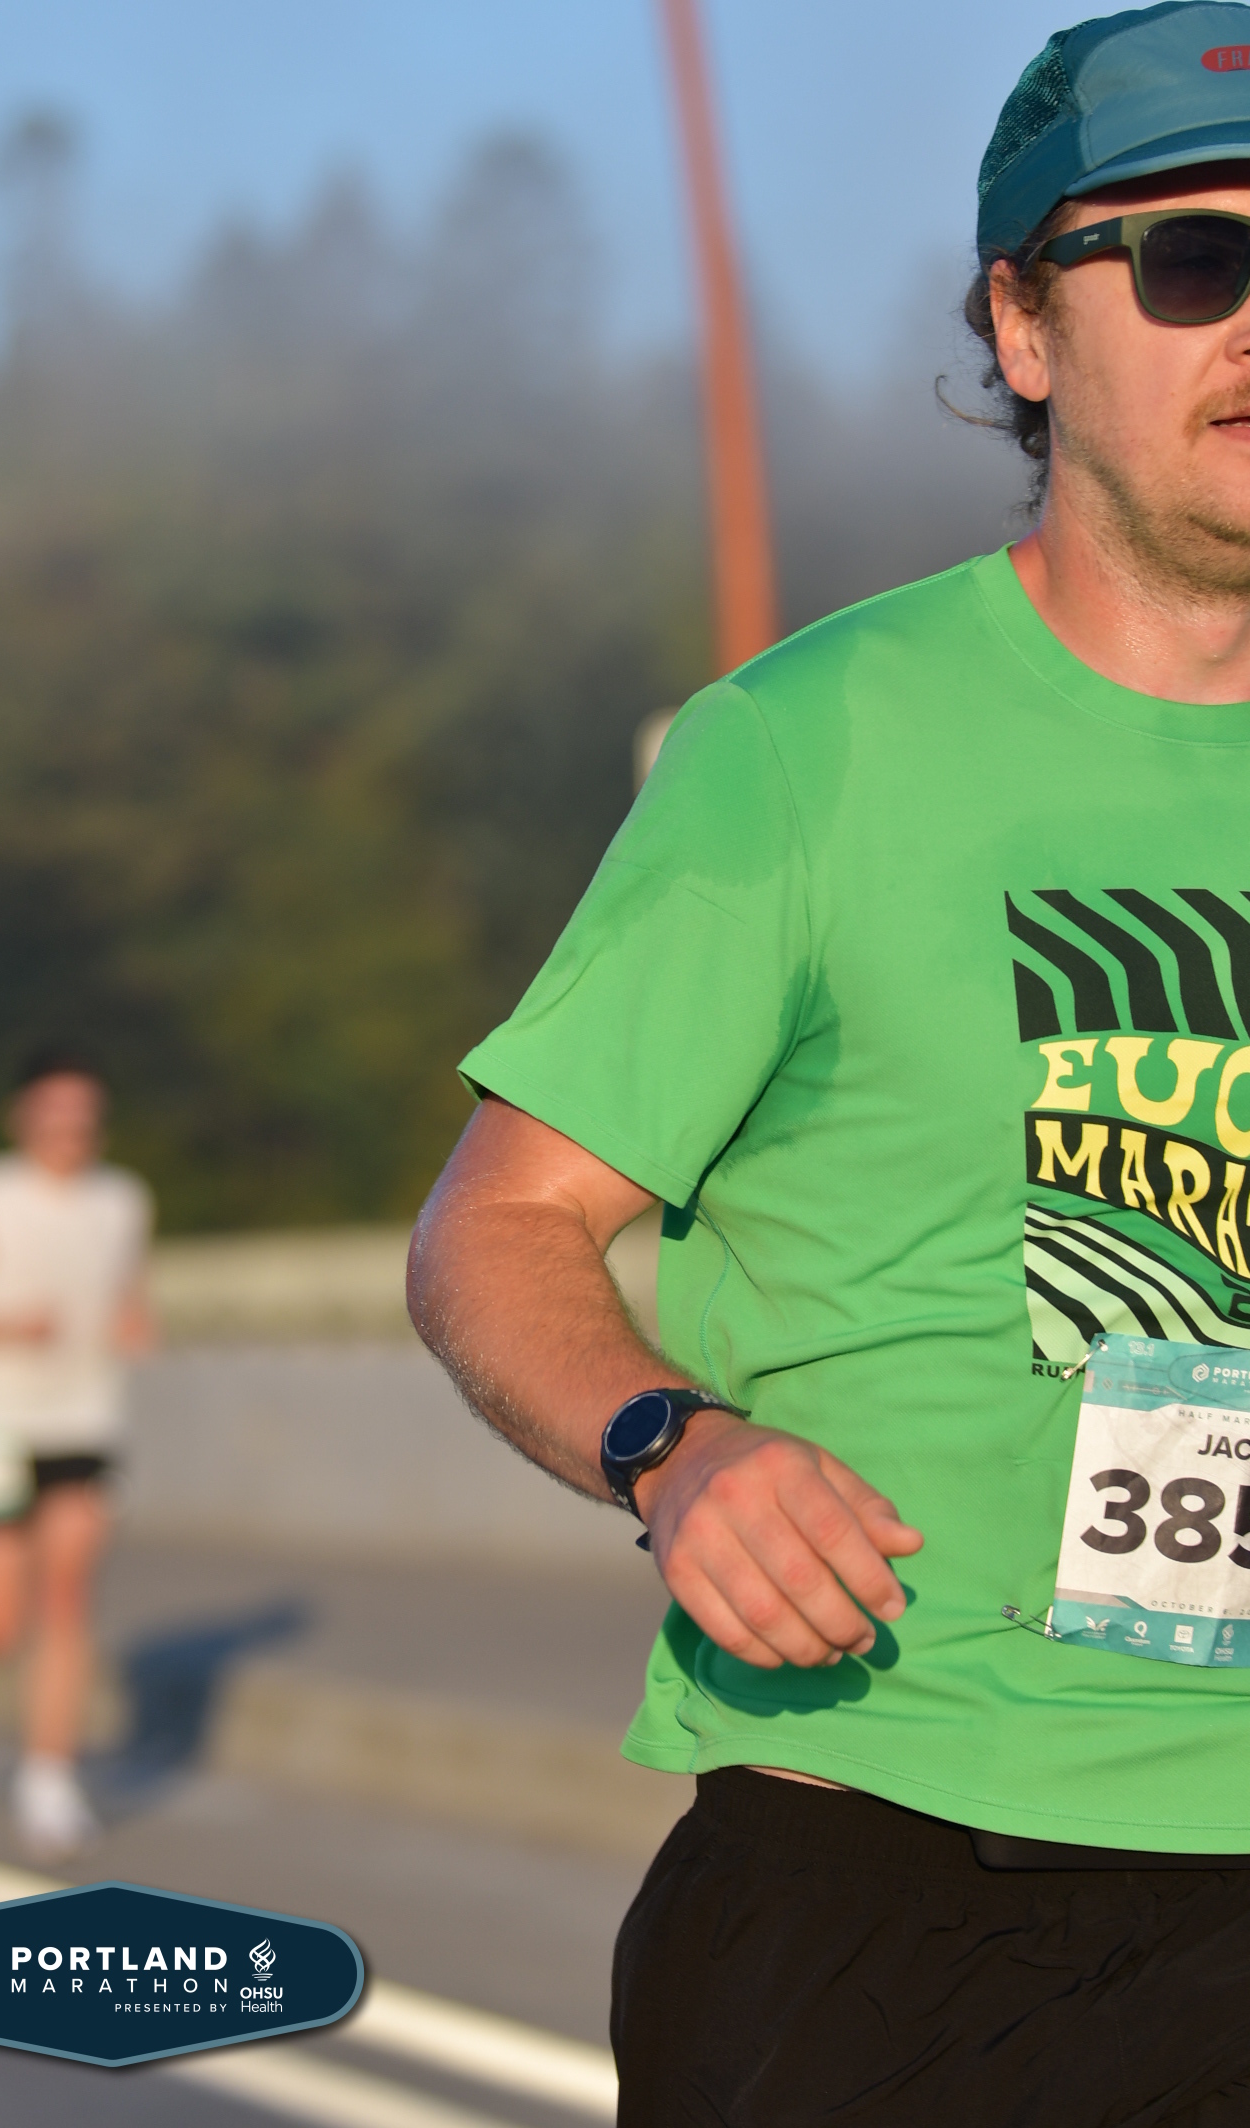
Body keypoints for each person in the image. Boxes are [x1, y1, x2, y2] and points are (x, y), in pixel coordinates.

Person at [407, 7, 1250, 2120]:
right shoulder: (809, 745)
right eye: (1191, 260)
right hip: (895, 1876)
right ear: (1022, 326)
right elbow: (502, 1223)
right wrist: (672, 1446)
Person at [0, 1044, 154, 1860]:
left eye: (84, 1116)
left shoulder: (123, 1199)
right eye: (55, 1114)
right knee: (4, 1617)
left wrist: (132, 1323)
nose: (69, 1130)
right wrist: (5, 1325)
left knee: (70, 1596)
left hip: (83, 1421)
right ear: (23, 1118)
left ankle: (48, 1780)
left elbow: (124, 1290)